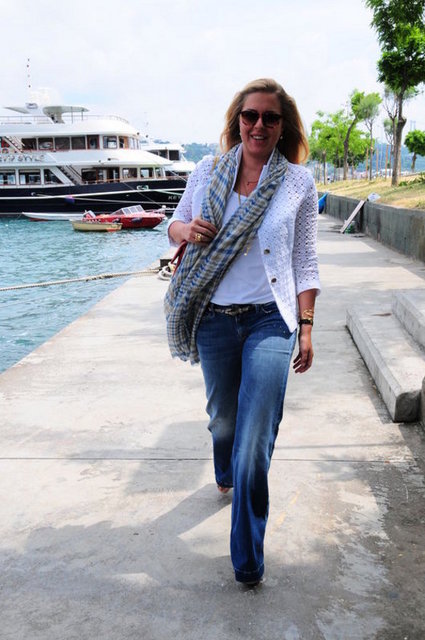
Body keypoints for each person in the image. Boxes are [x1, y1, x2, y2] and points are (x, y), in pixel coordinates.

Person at [164, 78, 320, 586]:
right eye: (250, 116)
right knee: (224, 422)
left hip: (270, 319)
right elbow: (174, 223)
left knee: (254, 436)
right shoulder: (208, 170)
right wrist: (186, 231)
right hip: (213, 317)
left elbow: (304, 260)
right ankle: (225, 471)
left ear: (283, 126)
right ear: (238, 120)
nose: (258, 125)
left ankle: (247, 558)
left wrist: (306, 327)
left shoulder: (297, 182)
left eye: (270, 118)